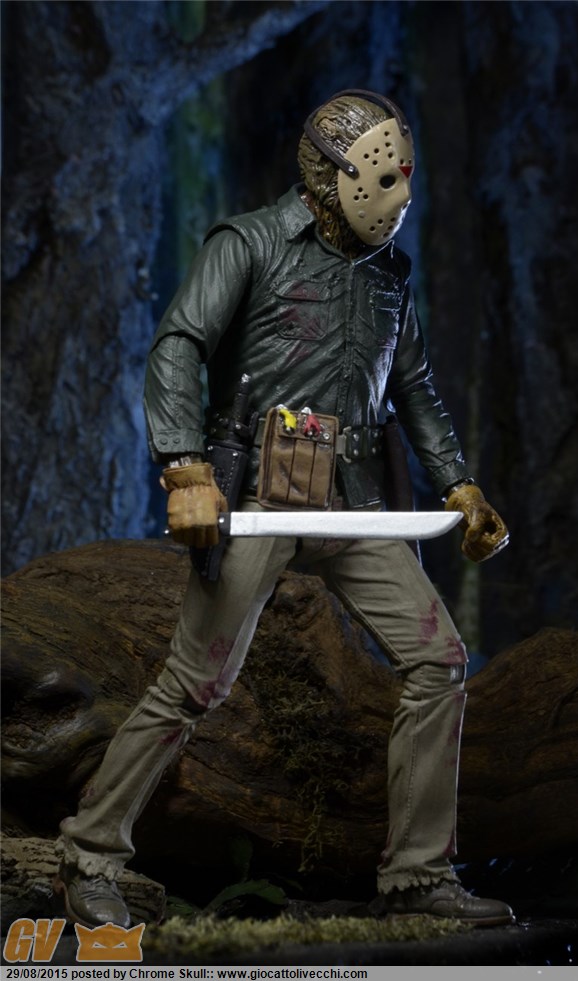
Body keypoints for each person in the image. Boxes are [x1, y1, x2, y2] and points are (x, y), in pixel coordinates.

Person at [55, 90, 514, 928]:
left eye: (404, 175)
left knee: (439, 659)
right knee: (196, 682)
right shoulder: (250, 244)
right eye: (383, 177)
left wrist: (461, 485)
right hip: (257, 496)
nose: (400, 195)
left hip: (352, 503)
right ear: (331, 176)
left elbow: (413, 388)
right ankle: (88, 853)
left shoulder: (391, 275)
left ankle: (417, 876)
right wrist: (185, 468)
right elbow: (179, 344)